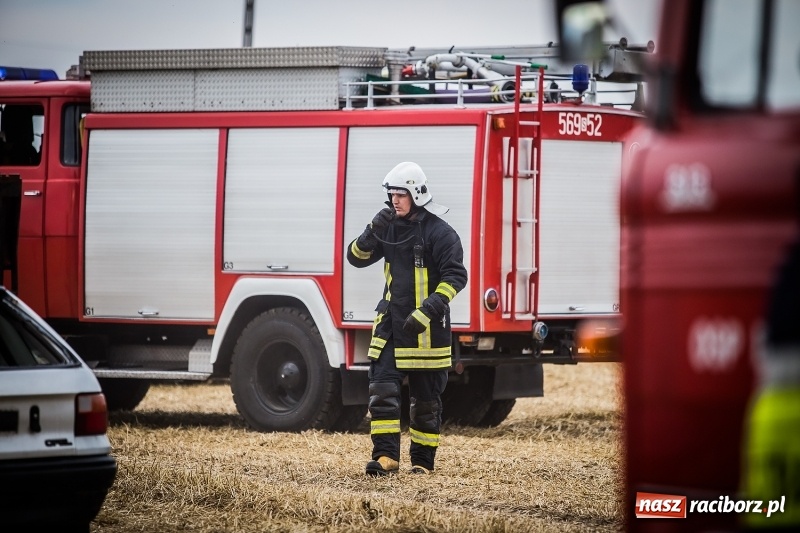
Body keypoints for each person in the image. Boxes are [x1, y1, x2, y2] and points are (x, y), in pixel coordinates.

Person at [347, 161, 467, 476]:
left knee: (426, 401)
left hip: (427, 330)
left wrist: (429, 309)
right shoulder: (386, 227)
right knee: (382, 391)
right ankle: (385, 457)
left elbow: (455, 276)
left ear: (416, 194)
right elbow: (355, 258)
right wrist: (372, 230)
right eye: (391, 195)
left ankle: (422, 463)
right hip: (390, 325)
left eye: (400, 194)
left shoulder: (441, 233)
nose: (394, 201)